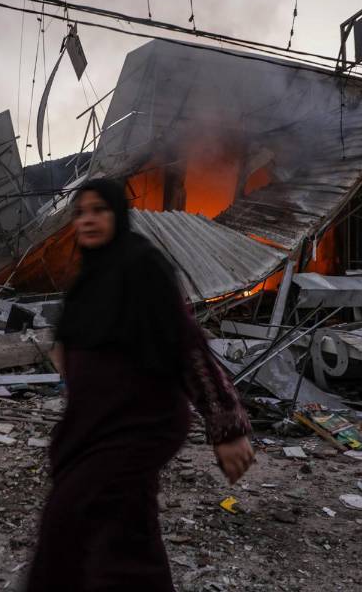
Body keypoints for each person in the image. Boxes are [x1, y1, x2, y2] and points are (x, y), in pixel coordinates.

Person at [25, 178, 255, 591]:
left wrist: (227, 425)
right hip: (96, 427)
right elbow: (72, 344)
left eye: (100, 209)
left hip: (139, 424)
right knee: (127, 533)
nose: (89, 219)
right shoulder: (88, 280)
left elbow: (186, 342)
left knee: (69, 519)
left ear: (119, 213)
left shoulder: (142, 265)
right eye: (81, 212)